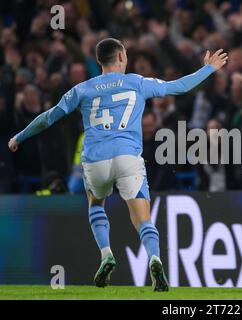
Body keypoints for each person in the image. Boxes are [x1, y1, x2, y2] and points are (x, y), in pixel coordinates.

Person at [8, 38, 228, 290]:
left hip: (95, 161)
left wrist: (19, 137)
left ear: (100, 60)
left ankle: (106, 253)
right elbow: (178, 87)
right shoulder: (137, 82)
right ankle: (155, 259)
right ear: (122, 56)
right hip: (128, 158)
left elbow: (48, 118)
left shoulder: (82, 89)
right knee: (142, 218)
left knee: (96, 204)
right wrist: (208, 68)